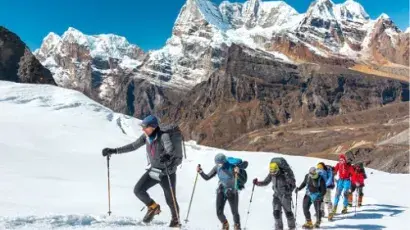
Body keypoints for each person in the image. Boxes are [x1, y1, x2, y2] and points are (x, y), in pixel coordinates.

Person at [101, 115, 181, 227]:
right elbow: (133, 146)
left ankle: (176, 221)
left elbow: (170, 149)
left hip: (167, 172)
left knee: (170, 200)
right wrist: (114, 151)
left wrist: (167, 156)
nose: (143, 129)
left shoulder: (164, 136)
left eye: (145, 127)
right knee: (138, 190)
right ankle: (153, 207)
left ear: (153, 127)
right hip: (154, 171)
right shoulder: (146, 137)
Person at [197, 153, 245, 230]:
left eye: (220, 163)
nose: (218, 165)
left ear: (224, 161)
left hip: (232, 191)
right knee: (219, 212)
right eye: (217, 163)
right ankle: (225, 224)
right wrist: (200, 172)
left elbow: (240, 175)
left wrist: (238, 171)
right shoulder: (217, 168)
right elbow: (207, 177)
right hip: (221, 190)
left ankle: (237, 226)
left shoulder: (231, 166)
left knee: (234, 212)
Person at [253, 161, 296, 230]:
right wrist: (257, 183)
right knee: (276, 213)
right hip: (276, 196)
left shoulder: (284, 174)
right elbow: (265, 182)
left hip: (285, 196)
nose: (273, 173)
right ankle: (279, 228)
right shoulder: (271, 174)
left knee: (288, 213)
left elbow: (293, 184)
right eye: (271, 172)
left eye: (274, 172)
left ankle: (292, 227)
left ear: (277, 169)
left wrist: (289, 190)